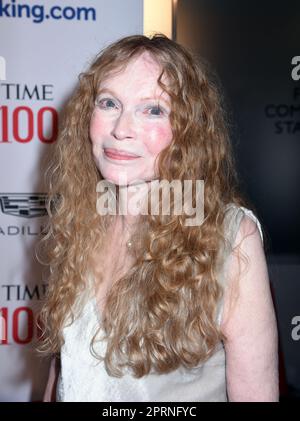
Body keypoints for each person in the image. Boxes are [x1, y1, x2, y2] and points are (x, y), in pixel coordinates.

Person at [38, 34, 279, 402]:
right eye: (108, 103)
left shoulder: (230, 238)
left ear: (188, 130)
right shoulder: (79, 222)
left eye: (152, 110)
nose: (121, 129)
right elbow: (63, 371)